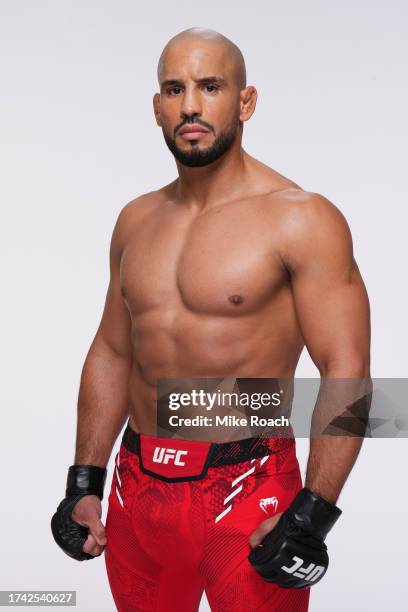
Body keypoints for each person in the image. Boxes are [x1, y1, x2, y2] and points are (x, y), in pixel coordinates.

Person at [51, 27, 371, 612]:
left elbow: (346, 370)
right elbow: (113, 350)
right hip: (136, 485)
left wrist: (314, 512)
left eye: (210, 86)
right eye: (174, 89)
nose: (190, 105)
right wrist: (84, 479)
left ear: (245, 102)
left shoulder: (302, 219)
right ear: (157, 108)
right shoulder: (136, 220)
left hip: (248, 488)